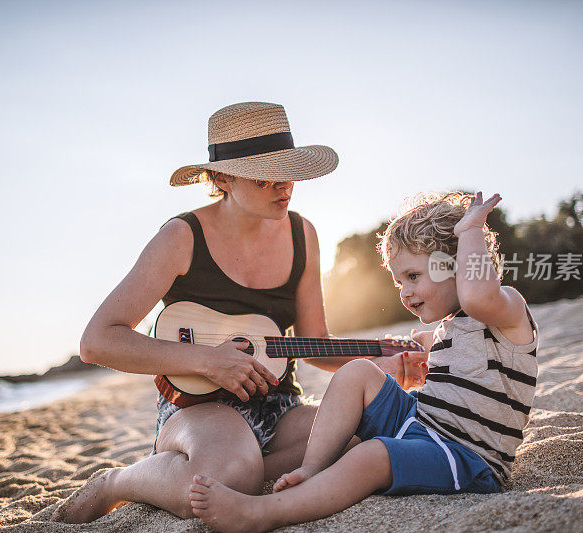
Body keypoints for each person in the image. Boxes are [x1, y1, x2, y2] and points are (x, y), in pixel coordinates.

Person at [51, 102, 426, 523]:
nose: (283, 188)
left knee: (366, 434)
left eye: (289, 174)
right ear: (223, 177)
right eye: (266, 179)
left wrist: (381, 360)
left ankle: (243, 471)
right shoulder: (181, 237)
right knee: (226, 472)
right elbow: (97, 340)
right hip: (196, 407)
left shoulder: (303, 234)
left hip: (278, 403)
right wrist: (209, 361)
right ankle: (118, 481)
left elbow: (314, 341)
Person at [187, 191, 540, 533]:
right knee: (357, 372)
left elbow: (478, 295)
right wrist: (413, 356)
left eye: (413, 277)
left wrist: (470, 232)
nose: (404, 292)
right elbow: (434, 358)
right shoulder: (450, 327)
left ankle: (261, 514)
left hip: (467, 458)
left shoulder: (504, 310)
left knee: (372, 455)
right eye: (399, 281)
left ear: (454, 263)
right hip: (424, 427)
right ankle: (313, 468)